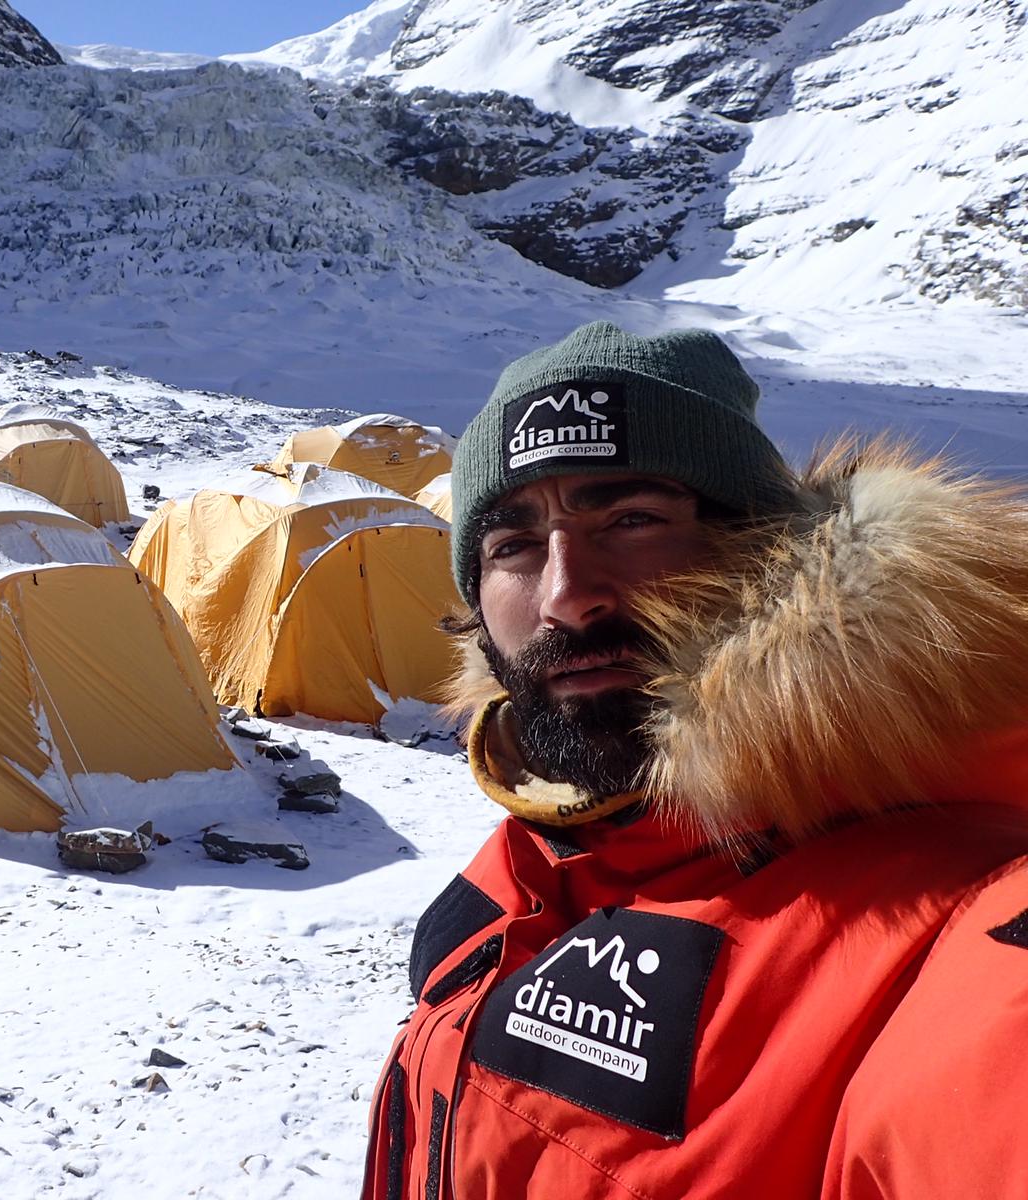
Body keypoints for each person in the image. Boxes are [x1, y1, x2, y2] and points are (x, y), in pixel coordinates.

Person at [360, 320, 1028, 1199]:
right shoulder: (542, 852)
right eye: (513, 546)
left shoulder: (960, 919)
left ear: (774, 552)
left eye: (632, 519)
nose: (567, 595)